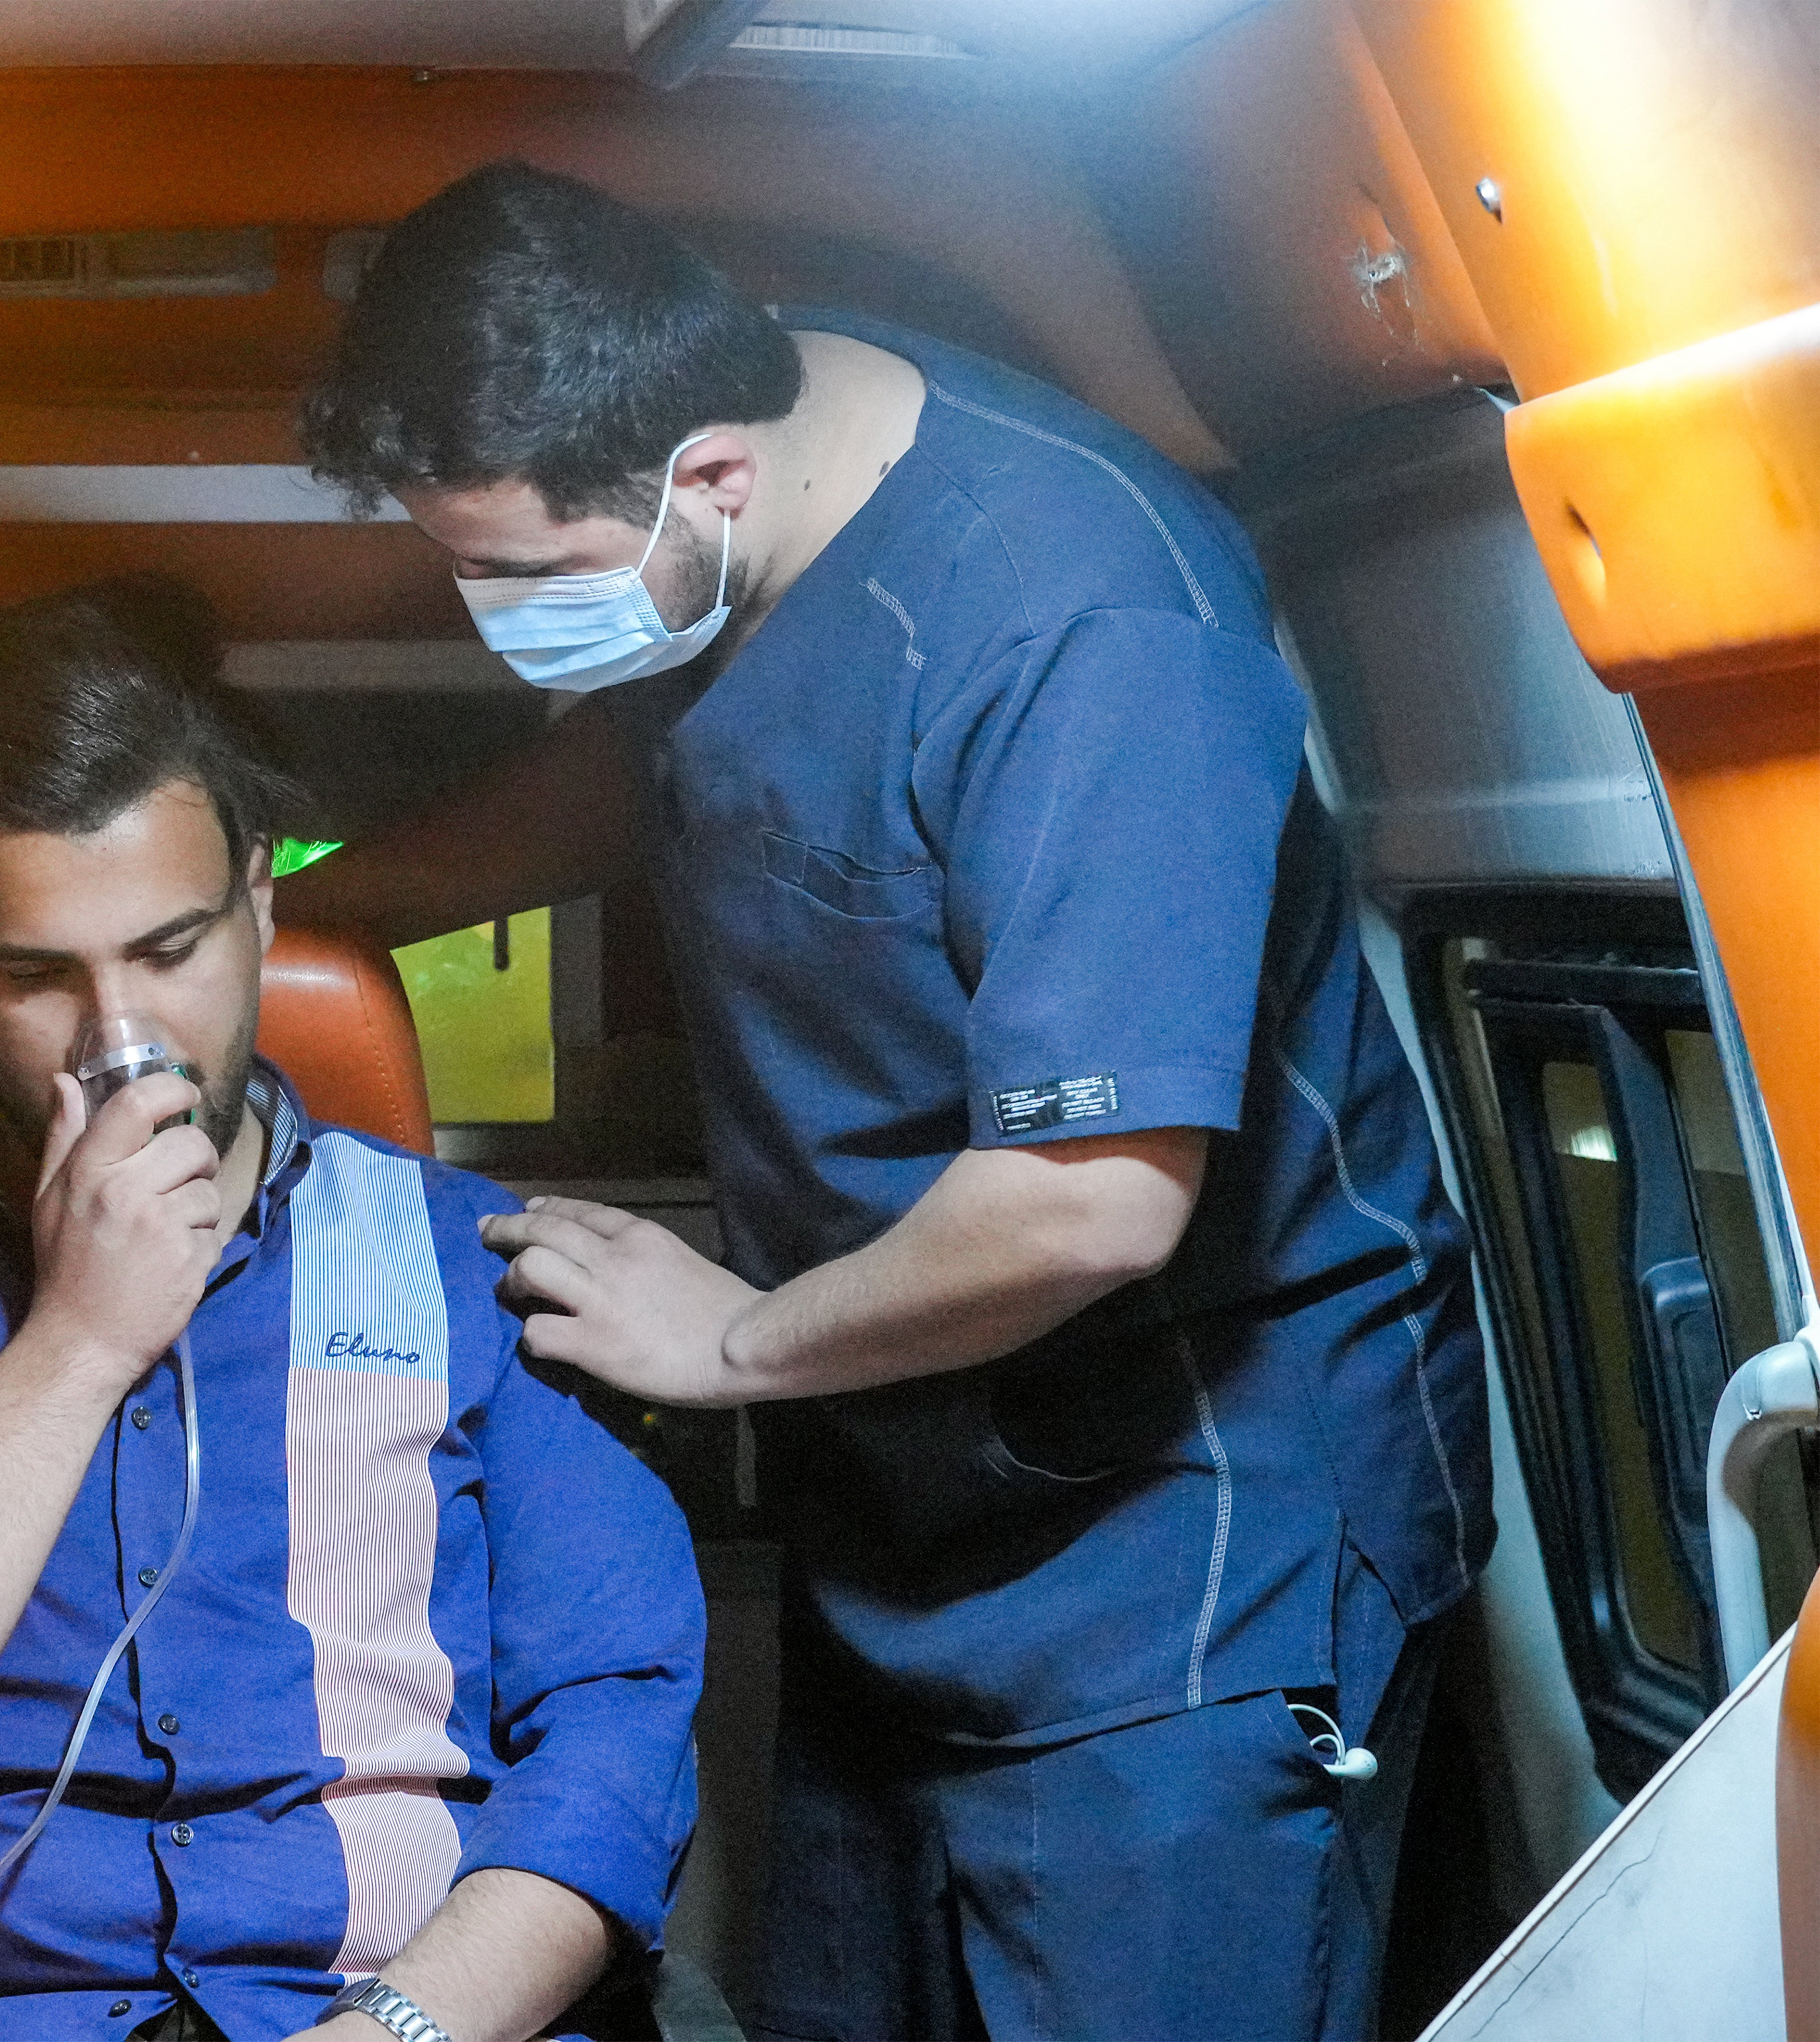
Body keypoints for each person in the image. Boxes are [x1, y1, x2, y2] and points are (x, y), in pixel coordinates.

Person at [284, 163, 1492, 2042]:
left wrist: (739, 1339)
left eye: (519, 573)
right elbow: (656, 774)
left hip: (1192, 1535)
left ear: (714, 480)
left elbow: (1092, 1197)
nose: (494, 617)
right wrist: (302, 917)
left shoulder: (1083, 621)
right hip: (917, 1487)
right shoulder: (725, 521)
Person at [0, 573, 705, 2042]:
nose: (122, 1039)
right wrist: (79, 1340)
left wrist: (393, 2037)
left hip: (400, 2012)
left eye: (170, 950)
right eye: (37, 976)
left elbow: (615, 1749)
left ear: (260, 901)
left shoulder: (485, 1266)